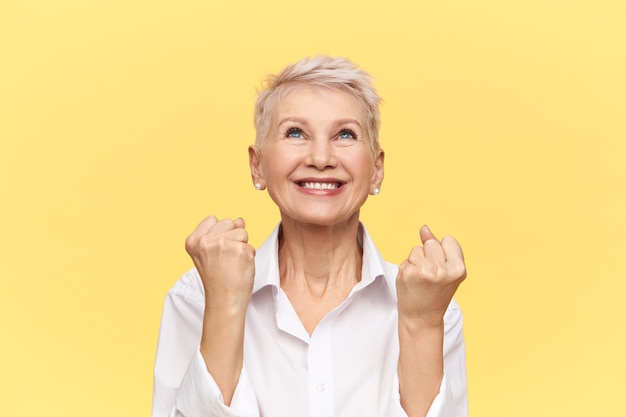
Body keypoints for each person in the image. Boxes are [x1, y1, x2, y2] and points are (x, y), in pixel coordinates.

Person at [152, 55, 468, 417]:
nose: (321, 157)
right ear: (257, 166)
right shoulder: (196, 297)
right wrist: (223, 306)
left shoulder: (434, 306)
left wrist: (422, 323)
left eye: (345, 134)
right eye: (295, 133)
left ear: (377, 170)